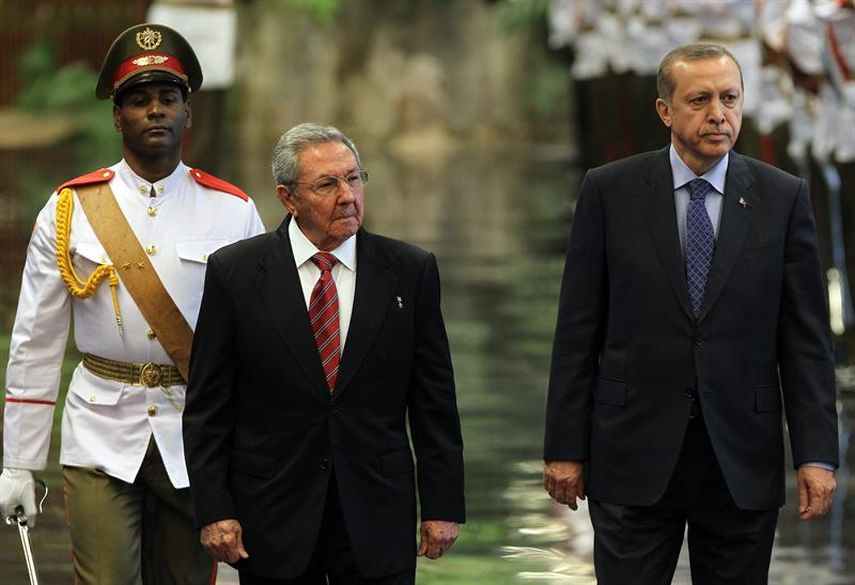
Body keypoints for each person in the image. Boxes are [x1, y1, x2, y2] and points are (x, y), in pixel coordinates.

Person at [542, 43, 839, 584]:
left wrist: (816, 455)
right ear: (665, 111)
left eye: (730, 98)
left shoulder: (781, 197)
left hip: (740, 457)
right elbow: (578, 331)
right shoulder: (609, 192)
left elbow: (805, 341)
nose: (718, 114)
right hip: (631, 449)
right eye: (699, 100)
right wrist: (564, 448)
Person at [0, 23, 265, 584]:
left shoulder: (233, 212)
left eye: (168, 98)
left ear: (187, 112)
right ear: (117, 116)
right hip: (99, 428)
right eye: (139, 100)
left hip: (197, 438)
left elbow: (262, 345)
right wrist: (19, 462)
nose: (155, 111)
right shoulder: (69, 208)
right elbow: (35, 339)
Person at [182, 123, 465, 584]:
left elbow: (434, 402)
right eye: (327, 184)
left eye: (354, 179)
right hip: (272, 515)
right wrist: (214, 510)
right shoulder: (235, 273)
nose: (348, 195)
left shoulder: (409, 271)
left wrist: (443, 506)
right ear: (288, 197)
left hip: (377, 512)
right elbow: (208, 408)